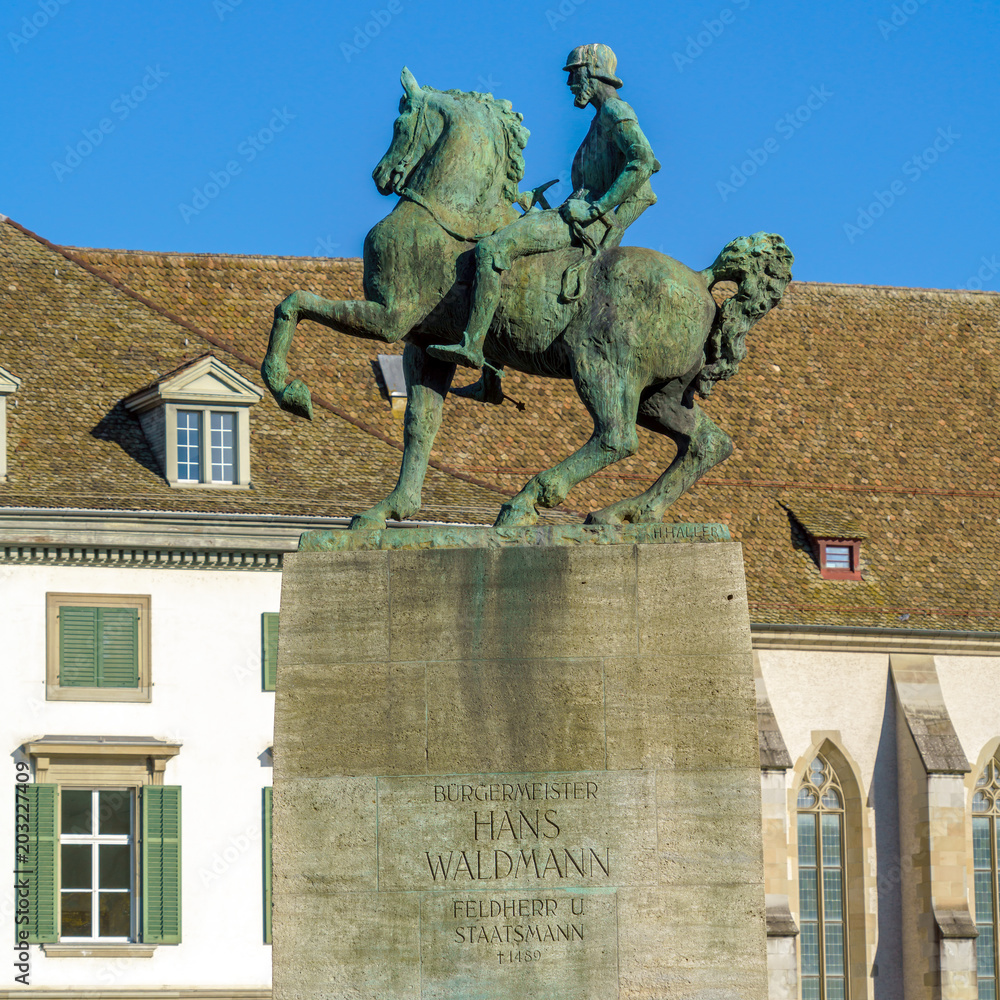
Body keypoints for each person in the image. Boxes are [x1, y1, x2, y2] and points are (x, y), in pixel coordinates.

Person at [428, 43, 659, 371]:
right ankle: (491, 377)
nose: (569, 85)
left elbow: (644, 160)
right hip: (575, 215)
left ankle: (473, 346)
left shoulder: (614, 112)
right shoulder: (602, 117)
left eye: (573, 75)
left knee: (492, 251)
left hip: (584, 222)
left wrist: (597, 210)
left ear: (591, 73)